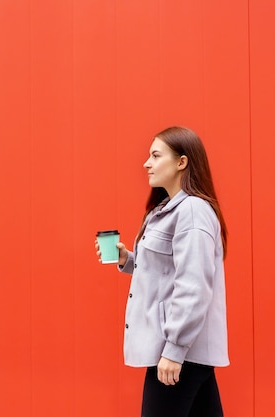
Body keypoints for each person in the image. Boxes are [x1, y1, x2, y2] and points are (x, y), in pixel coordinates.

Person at [95, 126, 229, 417]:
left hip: (178, 353)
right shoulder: (169, 209)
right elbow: (168, 271)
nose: (147, 163)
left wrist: (174, 350)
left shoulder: (192, 211)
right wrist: (127, 260)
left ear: (182, 162)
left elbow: (193, 287)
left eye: (156, 155)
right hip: (187, 354)